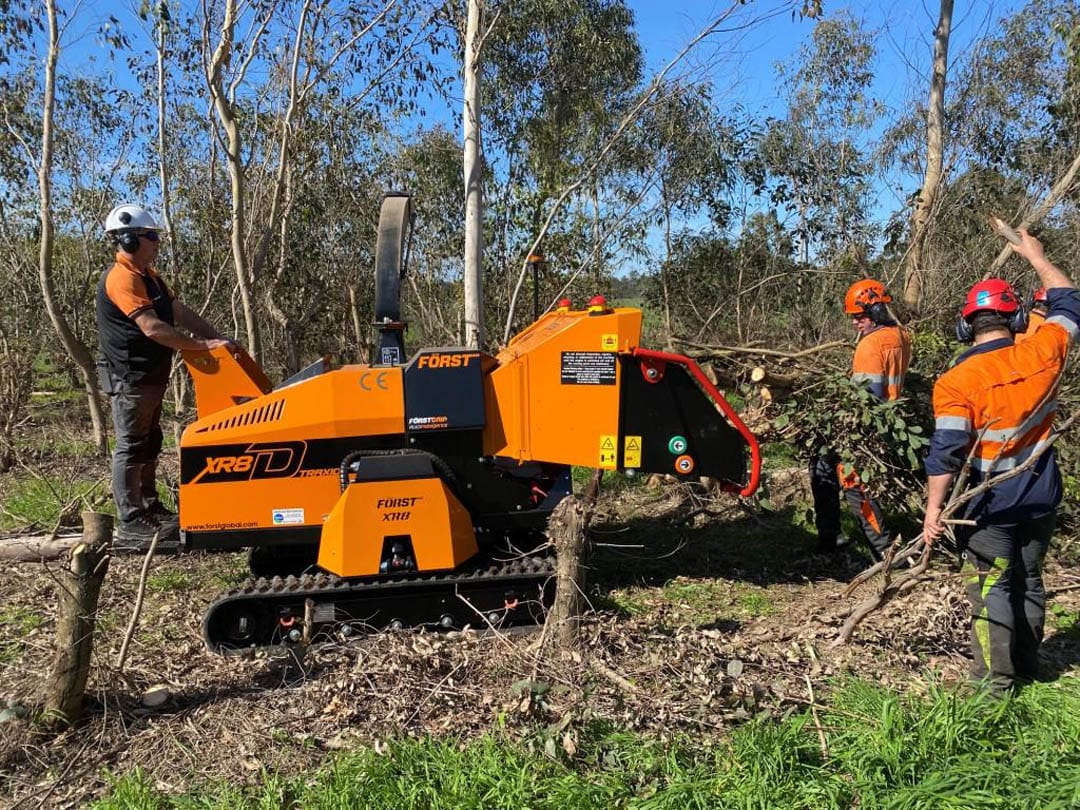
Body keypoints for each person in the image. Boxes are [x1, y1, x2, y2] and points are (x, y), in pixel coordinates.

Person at [923, 229, 1080, 691]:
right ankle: (1029, 667)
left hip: (988, 506)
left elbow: (946, 454)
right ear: (1014, 318)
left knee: (991, 591)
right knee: (1029, 580)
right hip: (1041, 496)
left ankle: (994, 685)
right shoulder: (1043, 350)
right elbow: (1069, 299)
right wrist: (1037, 256)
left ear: (965, 325)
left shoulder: (956, 381)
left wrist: (934, 510)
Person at [96, 204, 234, 547]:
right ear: (129, 240)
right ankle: (131, 520)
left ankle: (150, 507)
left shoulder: (150, 276)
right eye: (152, 236)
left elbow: (177, 312)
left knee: (150, 441)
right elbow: (153, 328)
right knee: (130, 445)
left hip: (150, 376)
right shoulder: (121, 277)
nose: (157, 243)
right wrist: (199, 347)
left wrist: (218, 339)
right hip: (130, 376)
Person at [810, 279, 912, 559]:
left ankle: (885, 553)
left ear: (877, 311)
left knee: (854, 483)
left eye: (860, 316)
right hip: (891, 419)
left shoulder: (871, 345)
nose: (855, 323)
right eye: (853, 317)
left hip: (866, 425)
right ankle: (830, 536)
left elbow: (867, 396)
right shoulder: (902, 336)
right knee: (821, 464)